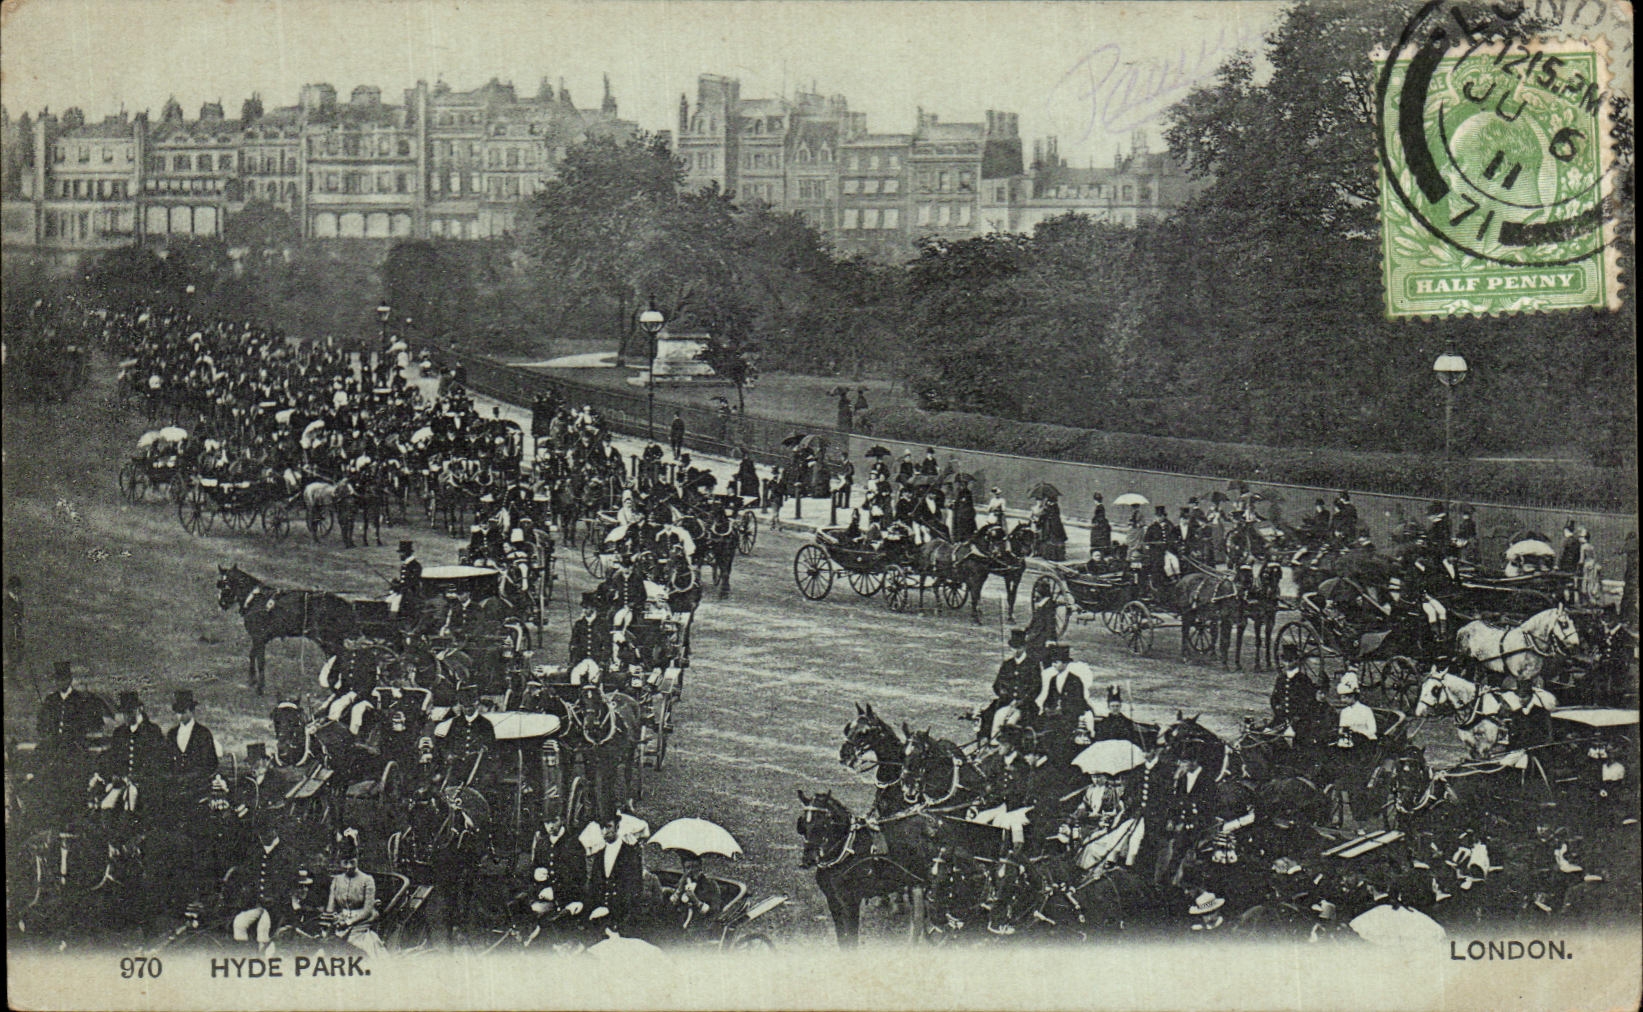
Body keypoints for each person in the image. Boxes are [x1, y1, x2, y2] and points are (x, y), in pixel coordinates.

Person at [94, 691, 167, 815]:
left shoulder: (152, 732)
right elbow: (114, 758)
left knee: (131, 804)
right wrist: (115, 775)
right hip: (122, 783)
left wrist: (138, 778)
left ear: (140, 709)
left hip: (145, 784)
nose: (126, 716)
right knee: (106, 806)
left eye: (129, 711)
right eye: (124, 712)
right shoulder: (120, 733)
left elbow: (157, 760)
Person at [230, 820, 297, 949]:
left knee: (263, 929)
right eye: (261, 834)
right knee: (239, 923)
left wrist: (275, 899)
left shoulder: (286, 853)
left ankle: (262, 958)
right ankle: (244, 955)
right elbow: (250, 878)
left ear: (274, 831)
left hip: (278, 907)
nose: (262, 837)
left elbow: (289, 883)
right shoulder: (257, 852)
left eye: (265, 833)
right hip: (258, 904)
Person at [326, 835, 383, 956]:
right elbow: (330, 908)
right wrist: (335, 917)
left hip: (361, 921)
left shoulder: (367, 880)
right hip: (341, 919)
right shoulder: (336, 880)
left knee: (355, 947)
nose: (348, 867)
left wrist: (348, 922)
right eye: (345, 863)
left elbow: (367, 911)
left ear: (357, 859)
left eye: (352, 862)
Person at [978, 630, 1039, 741]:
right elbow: (997, 684)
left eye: (1018, 648)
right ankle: (992, 743)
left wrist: (1021, 700)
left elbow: (1036, 687)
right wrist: (1003, 693)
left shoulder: (1032, 665)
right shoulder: (1007, 664)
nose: (1015, 651)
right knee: (993, 717)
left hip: (1024, 705)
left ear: (1024, 647)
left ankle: (1009, 745)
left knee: (1012, 723)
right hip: (1006, 702)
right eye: (1013, 648)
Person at [167, 689, 220, 800]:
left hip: (198, 788)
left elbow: (210, 765)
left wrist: (191, 778)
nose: (180, 716)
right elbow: (166, 761)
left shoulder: (203, 733)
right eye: (178, 712)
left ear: (192, 711)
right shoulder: (172, 734)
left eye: (183, 711)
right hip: (175, 789)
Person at [389, 539, 423, 628]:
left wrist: (400, 586)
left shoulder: (415, 565)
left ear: (406, 553)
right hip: (403, 590)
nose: (400, 555)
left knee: (396, 603)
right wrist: (396, 584)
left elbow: (412, 582)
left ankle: (393, 622)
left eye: (401, 553)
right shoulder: (406, 565)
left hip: (410, 592)